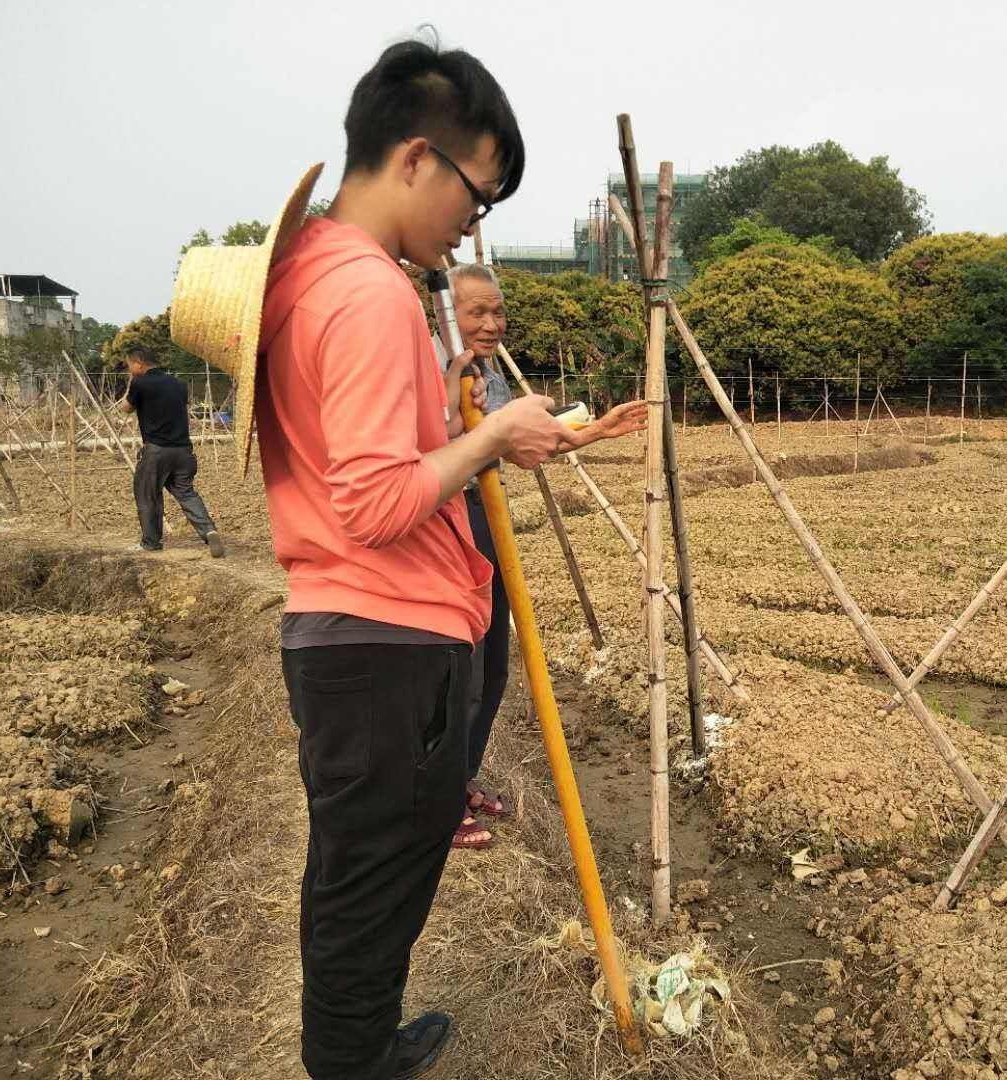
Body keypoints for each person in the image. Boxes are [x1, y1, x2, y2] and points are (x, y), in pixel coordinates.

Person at [227, 38, 580, 1080]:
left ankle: (361, 1042)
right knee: (373, 883)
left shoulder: (306, 275)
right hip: (387, 643)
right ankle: (352, 1061)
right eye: (477, 196)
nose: (473, 224)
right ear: (419, 158)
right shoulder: (373, 294)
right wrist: (491, 439)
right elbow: (375, 501)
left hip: (346, 637)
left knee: (357, 879)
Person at [434, 263, 645, 849]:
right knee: (461, 670)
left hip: (488, 517)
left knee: (496, 665)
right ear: (445, 314)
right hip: (446, 524)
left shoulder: (490, 376)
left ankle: (463, 777)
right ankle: (438, 803)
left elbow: (524, 446)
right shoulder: (425, 368)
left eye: (498, 311)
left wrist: (597, 431)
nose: (492, 322)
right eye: (477, 311)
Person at [117, 345, 225, 557]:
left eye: (130, 366)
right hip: (183, 450)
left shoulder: (140, 383)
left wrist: (132, 381)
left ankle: (151, 543)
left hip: (157, 451)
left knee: (148, 494)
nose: (129, 370)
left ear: (139, 363)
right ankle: (209, 530)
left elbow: (126, 408)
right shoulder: (178, 384)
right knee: (185, 492)